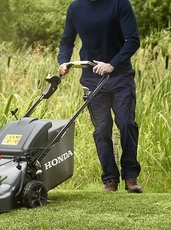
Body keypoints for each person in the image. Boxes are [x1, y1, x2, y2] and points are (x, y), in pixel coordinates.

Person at [57, 0, 143, 193]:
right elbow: (66, 41)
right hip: (92, 77)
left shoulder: (120, 4)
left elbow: (133, 40)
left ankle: (130, 176)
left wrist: (112, 64)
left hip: (120, 76)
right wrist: (64, 61)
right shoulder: (75, 8)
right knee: (102, 129)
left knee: (126, 123)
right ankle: (110, 180)